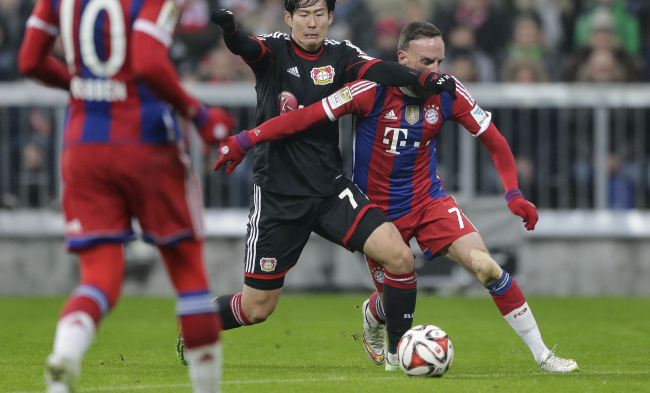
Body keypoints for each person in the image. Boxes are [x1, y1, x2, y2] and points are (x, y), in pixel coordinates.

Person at [213, 21, 579, 373]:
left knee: (485, 266)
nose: (436, 70)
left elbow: (494, 140)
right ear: (402, 60)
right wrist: (246, 139)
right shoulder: (369, 89)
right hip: (376, 212)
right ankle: (374, 313)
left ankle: (543, 354)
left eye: (440, 61)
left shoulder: (448, 90)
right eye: (426, 62)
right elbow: (305, 118)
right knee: (391, 292)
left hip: (428, 200)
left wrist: (513, 194)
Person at [176, 0, 457, 369]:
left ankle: (398, 354)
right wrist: (231, 29)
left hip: (330, 190)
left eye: (320, 14)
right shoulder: (274, 51)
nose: (312, 22)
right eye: (304, 14)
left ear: (330, 18)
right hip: (279, 196)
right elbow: (245, 47)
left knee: (398, 256)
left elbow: (384, 72)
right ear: (289, 17)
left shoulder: (342, 55)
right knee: (258, 307)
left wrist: (426, 78)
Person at [17, 0, 236, 392]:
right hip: (145, 140)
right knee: (187, 268)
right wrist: (200, 114)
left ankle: (63, 359)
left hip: (83, 144)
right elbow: (149, 62)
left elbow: (29, 60)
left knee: (98, 276)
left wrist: (85, 87)